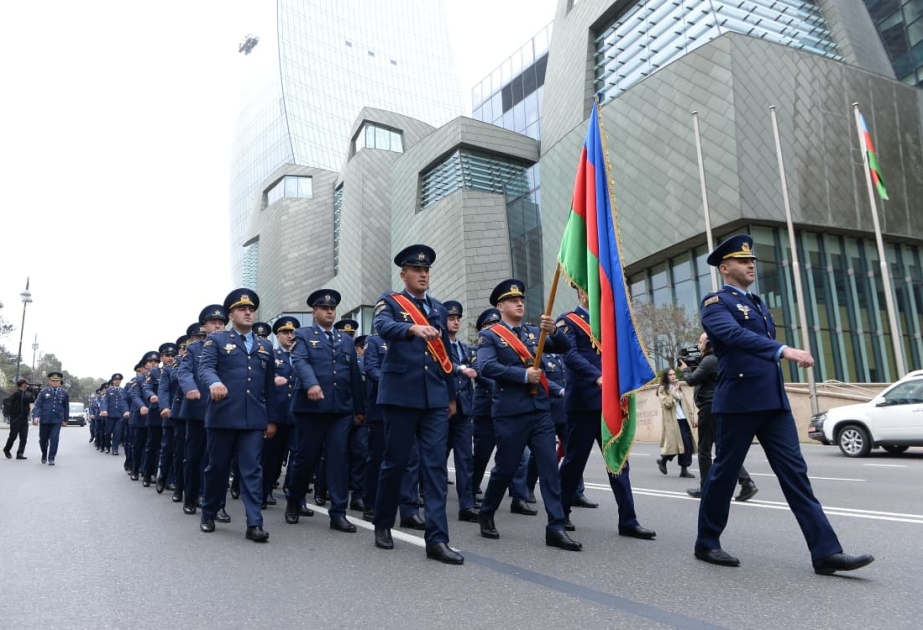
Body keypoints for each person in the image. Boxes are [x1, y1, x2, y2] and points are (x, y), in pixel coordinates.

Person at [695, 234, 873, 575]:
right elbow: (733, 336)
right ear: (724, 268)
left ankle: (826, 553)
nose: (751, 265)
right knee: (724, 473)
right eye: (742, 261)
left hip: (773, 402)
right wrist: (783, 349)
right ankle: (707, 542)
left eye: (752, 260)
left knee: (796, 475)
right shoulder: (715, 303)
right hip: (739, 402)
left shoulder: (757, 303)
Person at [371, 244, 463, 565]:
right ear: (404, 274)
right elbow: (383, 327)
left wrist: (450, 396)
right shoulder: (390, 302)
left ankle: (437, 540)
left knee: (435, 467)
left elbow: (446, 356)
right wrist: (411, 328)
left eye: (426, 270)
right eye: (417, 270)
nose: (423, 274)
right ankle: (383, 522)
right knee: (395, 463)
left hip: (434, 397)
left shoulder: (438, 308)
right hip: (401, 396)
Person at [476, 278, 581, 551]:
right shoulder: (491, 336)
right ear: (500, 306)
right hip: (511, 413)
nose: (519, 303)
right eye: (513, 300)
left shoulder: (535, 332)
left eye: (521, 299)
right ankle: (487, 513)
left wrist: (554, 331)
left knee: (549, 469)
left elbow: (563, 347)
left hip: (540, 411)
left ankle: (555, 527)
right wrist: (523, 375)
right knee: (505, 469)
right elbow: (486, 367)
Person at [556, 286, 655, 540]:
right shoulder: (568, 322)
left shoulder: (610, 322)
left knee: (618, 461)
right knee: (574, 462)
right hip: (584, 403)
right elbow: (570, 355)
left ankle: (628, 520)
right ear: (581, 293)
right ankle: (560, 513)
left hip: (611, 402)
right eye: (593, 290)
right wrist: (598, 377)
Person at [197, 289, 277, 542]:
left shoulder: (265, 346)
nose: (248, 313)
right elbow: (205, 368)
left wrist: (271, 419)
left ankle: (254, 523)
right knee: (218, 468)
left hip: (253, 419)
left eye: (251, 309)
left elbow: (269, 387)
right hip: (223, 417)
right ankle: (209, 512)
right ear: (231, 315)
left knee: (252, 471)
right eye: (242, 309)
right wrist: (214, 383)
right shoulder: (217, 340)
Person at [285, 289, 365, 533]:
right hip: (310, 409)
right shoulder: (303, 335)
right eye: (324, 308)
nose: (329, 312)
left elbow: (354, 375)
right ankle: (294, 500)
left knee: (338, 459)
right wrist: (311, 384)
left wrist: (360, 409)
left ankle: (338, 513)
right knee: (305, 459)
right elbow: (300, 362)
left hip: (340, 410)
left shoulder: (346, 340)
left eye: (332, 308)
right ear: (314, 312)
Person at [680, 333, 757, 501]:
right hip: (720, 407)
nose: (698, 346)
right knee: (724, 450)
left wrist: (685, 369)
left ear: (709, 344)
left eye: (700, 342)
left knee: (704, 450)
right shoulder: (721, 358)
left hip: (709, 408)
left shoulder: (708, 360)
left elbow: (691, 380)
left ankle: (706, 488)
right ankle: (747, 483)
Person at [177, 307, 226, 516]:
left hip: (222, 410)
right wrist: (190, 388)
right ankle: (190, 496)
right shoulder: (194, 348)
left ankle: (217, 503)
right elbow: (184, 372)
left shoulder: (231, 346)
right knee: (194, 456)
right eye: (213, 323)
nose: (218, 326)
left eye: (221, 323)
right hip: (198, 410)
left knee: (218, 460)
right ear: (204, 326)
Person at [443, 300, 479, 523]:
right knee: (437, 458)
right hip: (443, 409)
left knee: (465, 459)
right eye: (451, 318)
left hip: (464, 410)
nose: (456, 322)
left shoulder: (464, 348)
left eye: (457, 319)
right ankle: (431, 498)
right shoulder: (438, 346)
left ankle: (466, 505)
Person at [655, 369, 697, 478]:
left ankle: (684, 469)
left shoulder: (679, 387)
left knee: (687, 445)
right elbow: (666, 404)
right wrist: (673, 392)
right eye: (670, 375)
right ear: (666, 376)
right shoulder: (662, 389)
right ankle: (664, 460)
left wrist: (692, 419)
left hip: (684, 419)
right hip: (673, 421)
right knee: (676, 445)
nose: (673, 376)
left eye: (674, 374)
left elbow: (686, 405)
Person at [32, 372, 69, 465]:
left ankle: (51, 458)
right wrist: (36, 416)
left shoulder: (64, 393)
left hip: (57, 420)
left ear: (60, 382)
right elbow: (38, 406)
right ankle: (44, 454)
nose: (55, 382)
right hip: (45, 419)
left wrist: (65, 420)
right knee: (43, 440)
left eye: (57, 381)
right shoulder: (43, 392)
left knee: (54, 439)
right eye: (53, 381)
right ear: (49, 381)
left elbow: (66, 408)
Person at [4, 378, 34, 460]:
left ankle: (20, 453)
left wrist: (32, 392)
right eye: (26, 384)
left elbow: (32, 400)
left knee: (24, 437)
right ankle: (7, 449)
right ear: (23, 384)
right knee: (13, 436)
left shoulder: (25, 393)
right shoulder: (17, 394)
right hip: (16, 418)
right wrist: (29, 392)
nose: (27, 385)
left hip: (24, 419)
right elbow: (26, 399)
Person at [99, 373, 128, 456]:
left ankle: (115, 449)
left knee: (117, 432)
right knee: (108, 432)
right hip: (110, 415)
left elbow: (125, 401)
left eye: (119, 380)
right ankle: (108, 445)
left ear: (120, 381)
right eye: (115, 379)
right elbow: (105, 401)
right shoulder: (108, 391)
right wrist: (104, 410)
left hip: (120, 415)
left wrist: (126, 411)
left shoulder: (123, 390)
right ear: (113, 381)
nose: (117, 381)